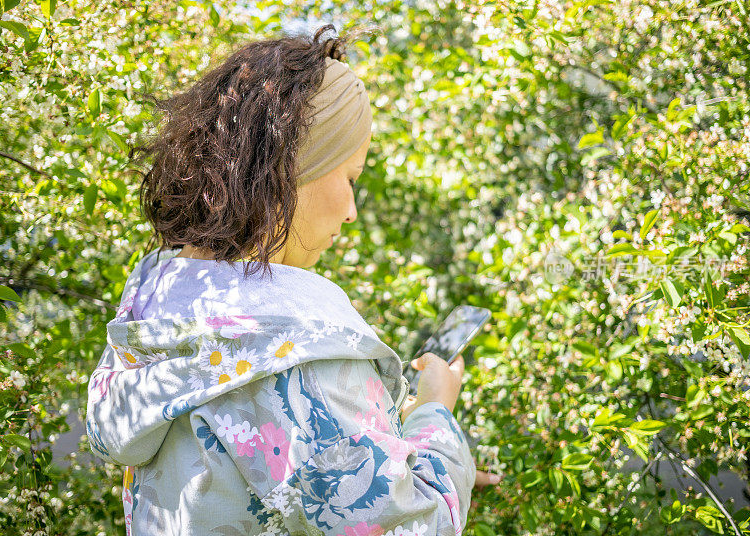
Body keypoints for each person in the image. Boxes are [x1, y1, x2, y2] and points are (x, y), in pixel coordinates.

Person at [85, 25, 500, 536]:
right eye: (350, 178)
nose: (351, 211)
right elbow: (416, 526)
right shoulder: (293, 353)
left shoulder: (158, 303)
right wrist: (435, 415)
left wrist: (391, 444)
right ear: (294, 166)